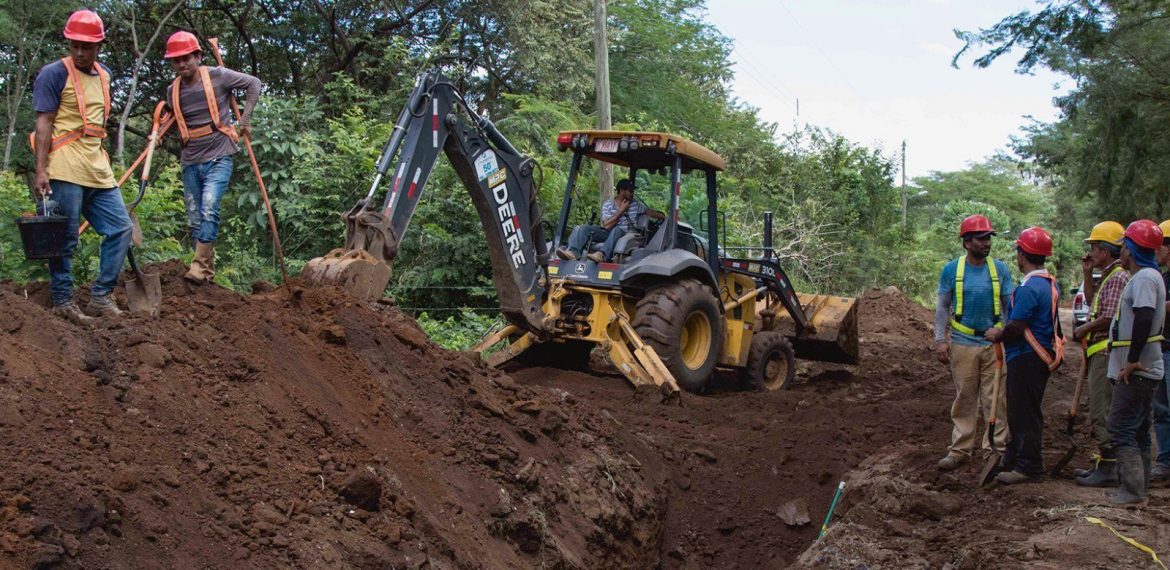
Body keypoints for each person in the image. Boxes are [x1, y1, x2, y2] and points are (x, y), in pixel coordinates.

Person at [32, 10, 132, 325]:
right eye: (74, 45)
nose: (79, 52)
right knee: (64, 237)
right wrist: (41, 170)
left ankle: (101, 296)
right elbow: (44, 123)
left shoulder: (105, 75)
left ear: (98, 46)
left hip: (96, 166)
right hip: (64, 165)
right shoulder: (53, 74)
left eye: (86, 47)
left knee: (121, 228)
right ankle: (63, 300)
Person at [161, 31, 262, 284]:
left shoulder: (219, 76)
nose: (182, 64)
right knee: (195, 217)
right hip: (190, 159)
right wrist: (157, 132)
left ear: (197, 56)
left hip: (219, 154)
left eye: (186, 58)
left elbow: (254, 83)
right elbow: (171, 118)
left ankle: (198, 266)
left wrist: (245, 119)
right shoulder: (172, 91)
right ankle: (206, 275)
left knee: (209, 206)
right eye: (176, 60)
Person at [934, 214, 1015, 471]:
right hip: (962, 343)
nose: (986, 243)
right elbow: (942, 307)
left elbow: (1010, 307)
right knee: (965, 398)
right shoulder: (951, 270)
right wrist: (940, 339)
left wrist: (1004, 332)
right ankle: (960, 449)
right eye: (981, 239)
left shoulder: (1000, 269)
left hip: (993, 345)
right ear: (966, 242)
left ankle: (995, 449)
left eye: (988, 238)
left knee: (996, 400)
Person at [986, 226, 1062, 485]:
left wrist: (998, 334)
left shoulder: (1030, 287)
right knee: (1021, 410)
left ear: (1022, 254)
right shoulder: (1047, 283)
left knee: (1023, 413)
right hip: (1035, 357)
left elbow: (1017, 325)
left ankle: (1029, 466)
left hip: (1027, 356)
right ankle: (1014, 457)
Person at [1103, 220, 1167, 505]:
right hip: (1146, 368)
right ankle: (1140, 485)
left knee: (1119, 426)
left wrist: (1130, 361)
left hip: (1138, 370)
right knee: (1139, 429)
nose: (1121, 251)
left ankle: (1131, 490)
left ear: (1130, 249)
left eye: (1124, 246)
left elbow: (1143, 317)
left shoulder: (1144, 279)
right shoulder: (1150, 277)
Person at [1071, 221, 1130, 487]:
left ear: (1105, 251)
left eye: (1094, 248)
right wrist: (1087, 274)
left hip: (1106, 351)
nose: (1091, 253)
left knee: (1101, 411)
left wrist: (1084, 328)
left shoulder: (1116, 277)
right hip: (1099, 351)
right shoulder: (1108, 275)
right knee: (1100, 408)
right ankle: (1106, 463)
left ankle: (1109, 466)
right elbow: (1094, 300)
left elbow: (1108, 317)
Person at [556, 179, 663, 263]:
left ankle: (601, 255)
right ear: (622, 191)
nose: (633, 194)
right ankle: (573, 253)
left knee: (617, 230)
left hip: (626, 234)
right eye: (631, 191)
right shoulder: (608, 205)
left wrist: (664, 216)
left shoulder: (635, 204)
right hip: (608, 232)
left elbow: (649, 212)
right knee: (584, 228)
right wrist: (621, 211)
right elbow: (606, 226)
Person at [1153, 219, 1170, 485]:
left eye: (1159, 246)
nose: (1154, 251)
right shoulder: (1163, 277)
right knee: (1161, 410)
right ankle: (1166, 461)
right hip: (1162, 348)